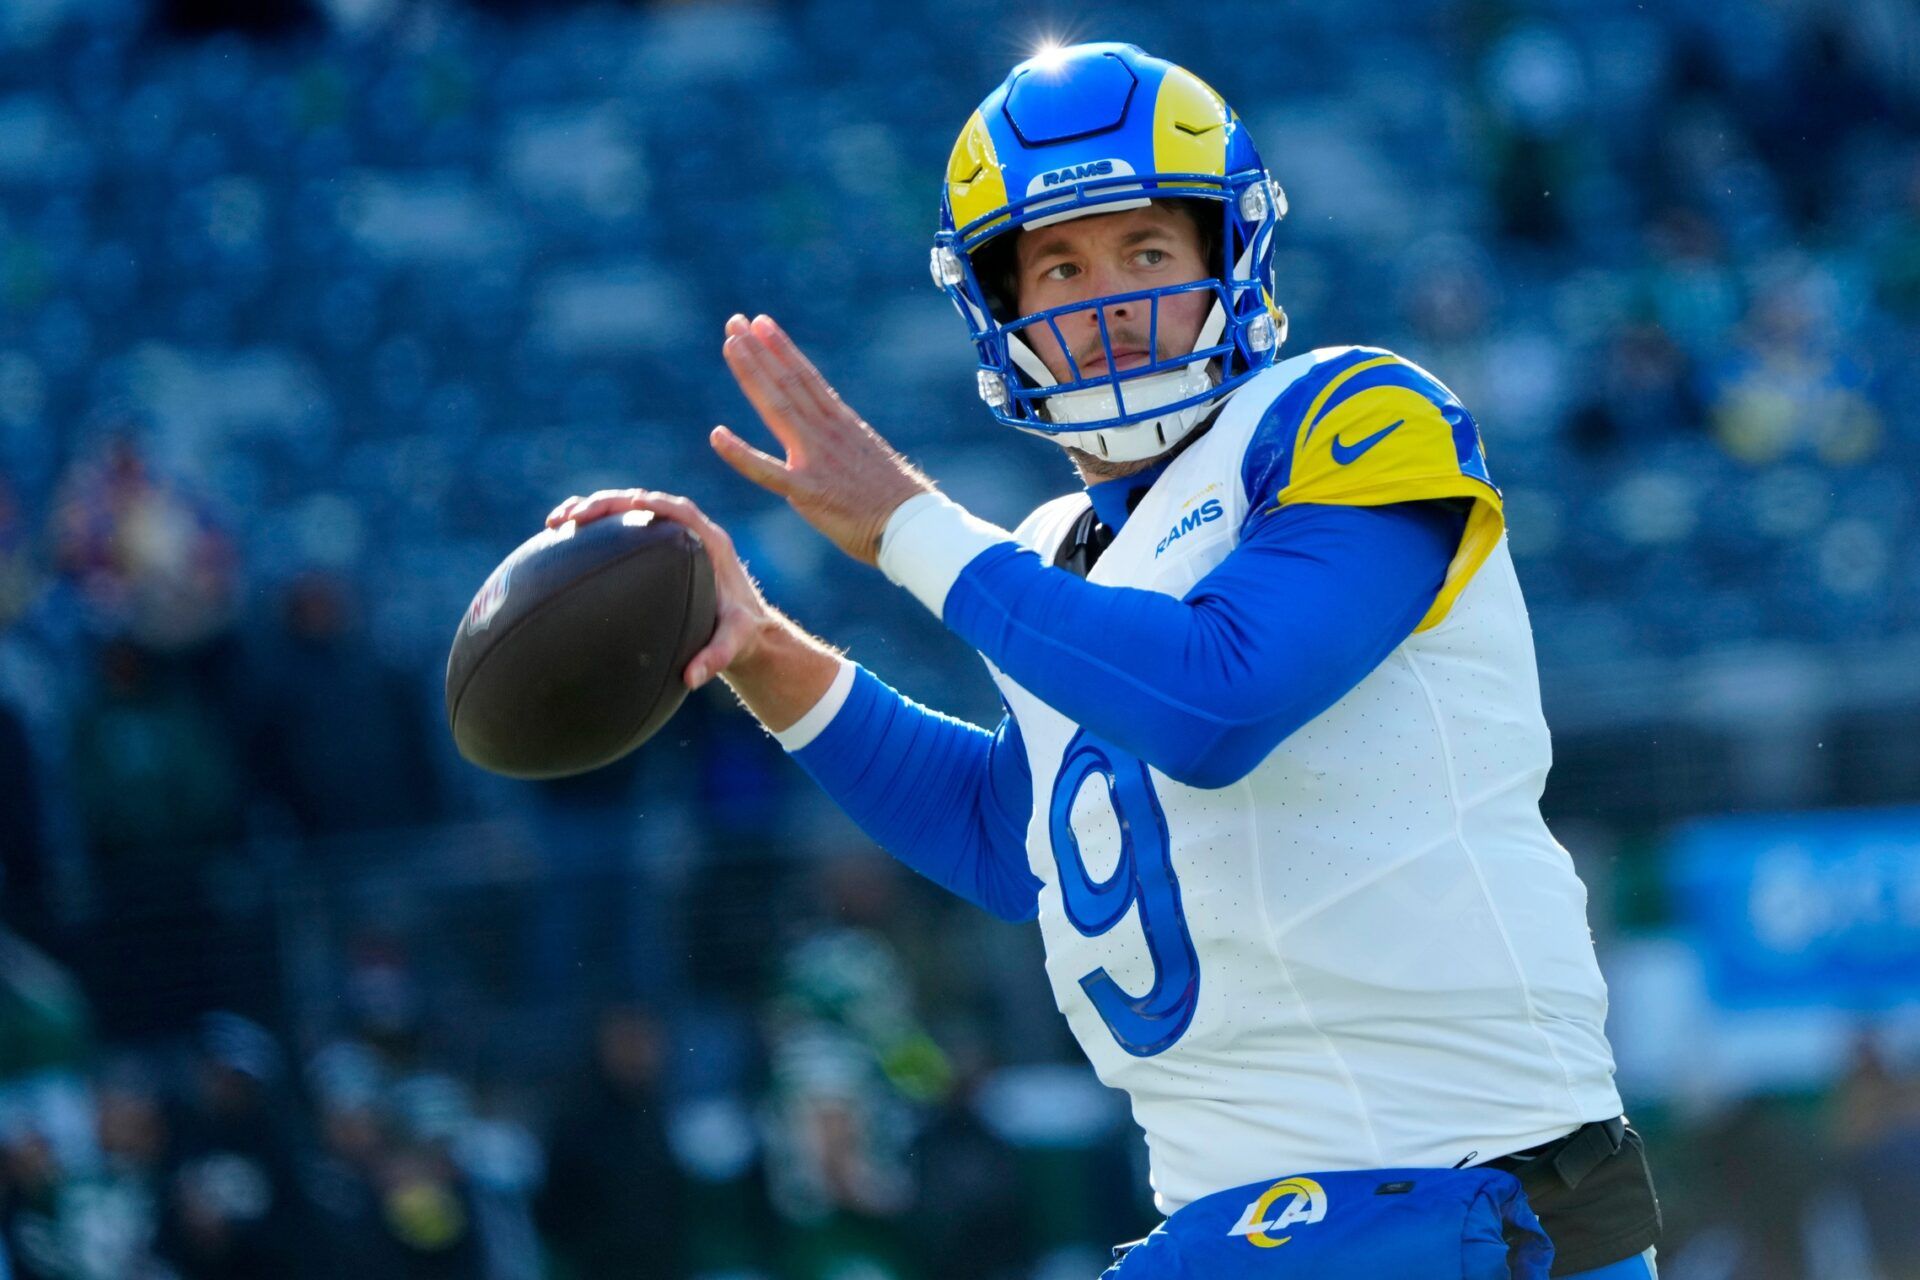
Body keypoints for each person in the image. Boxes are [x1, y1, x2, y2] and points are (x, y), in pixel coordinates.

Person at [552, 42, 1659, 1279]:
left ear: (1223, 256)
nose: (1105, 299)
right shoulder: (1047, 560)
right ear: (1005, 311)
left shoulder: (1351, 418)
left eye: (1145, 252)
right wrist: (762, 654)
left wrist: (909, 528)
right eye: (1060, 265)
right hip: (1234, 1220)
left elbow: (1219, 698)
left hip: (1475, 1193)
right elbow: (1005, 832)